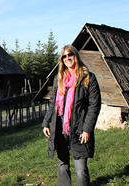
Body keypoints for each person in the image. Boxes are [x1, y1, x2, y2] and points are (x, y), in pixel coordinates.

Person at [42, 44, 101, 186]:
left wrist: (87, 129)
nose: (67, 58)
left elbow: (94, 105)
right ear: (62, 60)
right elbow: (52, 104)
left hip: (79, 129)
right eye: (64, 56)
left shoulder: (88, 78)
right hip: (60, 128)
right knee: (62, 165)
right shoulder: (59, 78)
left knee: (81, 169)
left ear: (76, 56)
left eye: (70, 55)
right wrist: (46, 123)